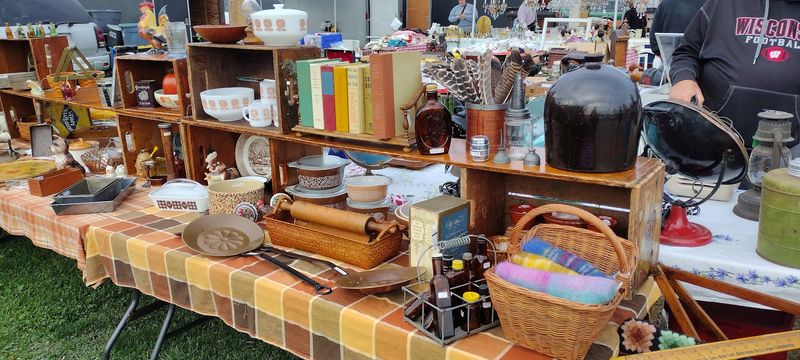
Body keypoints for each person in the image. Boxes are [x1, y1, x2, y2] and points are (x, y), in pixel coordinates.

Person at [669, 0, 800, 147]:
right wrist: (683, 78)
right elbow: (686, 52)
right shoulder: (722, 4)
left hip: (791, 153)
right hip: (714, 142)